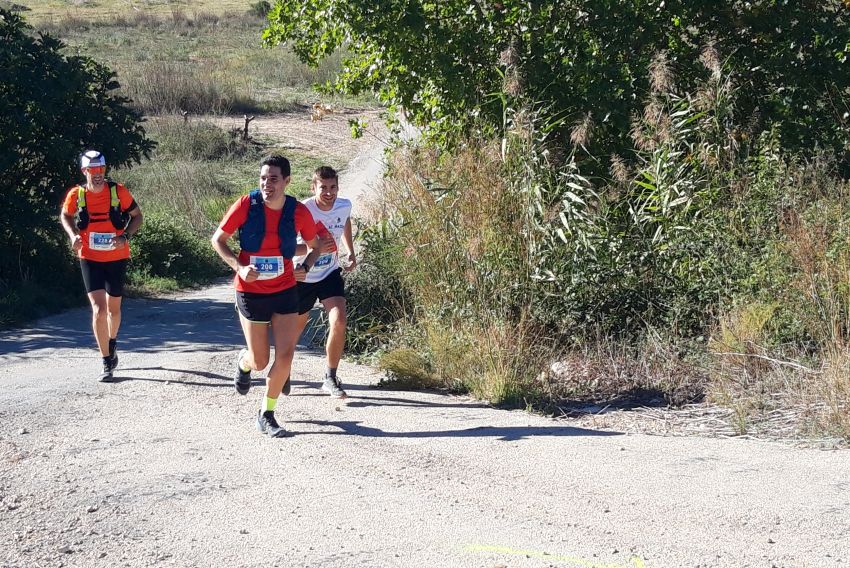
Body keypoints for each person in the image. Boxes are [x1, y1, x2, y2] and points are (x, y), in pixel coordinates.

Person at [211, 155, 321, 438]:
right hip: (250, 291)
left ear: (286, 181)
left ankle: (266, 413)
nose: (267, 184)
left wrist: (306, 267)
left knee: (285, 355)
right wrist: (240, 266)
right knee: (260, 361)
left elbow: (315, 245)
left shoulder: (297, 211)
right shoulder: (246, 205)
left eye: (273, 179)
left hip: (284, 288)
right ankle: (243, 363)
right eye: (263, 178)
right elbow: (218, 240)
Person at [59, 150, 143, 382]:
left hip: (116, 257)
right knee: (98, 309)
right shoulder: (77, 194)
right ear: (84, 171)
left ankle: (112, 342)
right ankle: (106, 361)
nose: (97, 175)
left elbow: (137, 216)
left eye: (101, 170)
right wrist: (72, 235)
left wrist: (125, 237)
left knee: (113, 309)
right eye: (92, 170)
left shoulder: (118, 191)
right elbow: (65, 216)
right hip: (89, 257)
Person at [291, 166, 357, 398]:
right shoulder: (303, 209)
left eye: (333, 187)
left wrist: (350, 250)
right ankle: (282, 370)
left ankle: (330, 377)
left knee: (339, 320)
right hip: (304, 274)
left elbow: (345, 221)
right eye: (323, 188)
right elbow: (290, 243)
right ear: (314, 188)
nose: (329, 193)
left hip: (329, 273)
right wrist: (315, 245)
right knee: (294, 329)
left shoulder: (344, 204)